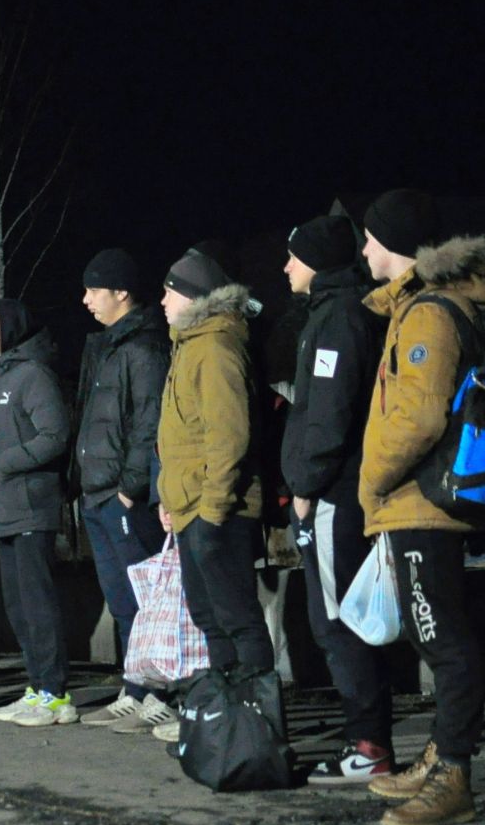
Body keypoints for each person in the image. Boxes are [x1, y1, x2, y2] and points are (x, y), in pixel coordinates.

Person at [356, 189, 485, 825]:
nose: (362, 249)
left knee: (442, 637)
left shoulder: (428, 314)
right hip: (418, 500)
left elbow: (417, 416)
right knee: (432, 630)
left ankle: (455, 778)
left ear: (394, 244)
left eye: (369, 238)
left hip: (422, 500)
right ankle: (443, 754)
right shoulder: (417, 308)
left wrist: (373, 482)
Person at [280, 212, 396, 785]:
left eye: (294, 256)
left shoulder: (339, 319)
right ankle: (368, 739)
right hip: (336, 490)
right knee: (337, 620)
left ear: (318, 263)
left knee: (338, 622)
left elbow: (327, 415)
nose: (285, 267)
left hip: (334, 495)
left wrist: (304, 488)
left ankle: (369, 745)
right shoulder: (334, 314)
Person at [154, 248, 268, 721]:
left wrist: (213, 509)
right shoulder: (189, 345)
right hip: (191, 508)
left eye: (168, 291)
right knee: (209, 620)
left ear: (190, 296)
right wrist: (170, 499)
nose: (161, 300)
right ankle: (229, 716)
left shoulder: (215, 347)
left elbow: (228, 436)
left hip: (217, 512)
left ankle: (259, 718)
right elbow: (183, 436)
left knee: (237, 620)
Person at [71, 248, 174, 734]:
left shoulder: (145, 346)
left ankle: (158, 692)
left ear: (121, 292)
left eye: (94, 289)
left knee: (145, 597)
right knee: (122, 600)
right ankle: (135, 688)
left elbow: (148, 420)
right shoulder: (106, 346)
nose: (86, 299)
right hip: (96, 494)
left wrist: (131, 488)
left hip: (120, 495)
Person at [0, 300, 76, 728]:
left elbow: (56, 434)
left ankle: (56, 695)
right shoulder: (2, 380)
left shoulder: (32, 376)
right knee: (17, 606)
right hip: (7, 513)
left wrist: (7, 462)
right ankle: (38, 687)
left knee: (37, 604)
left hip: (32, 509)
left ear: (9, 331)